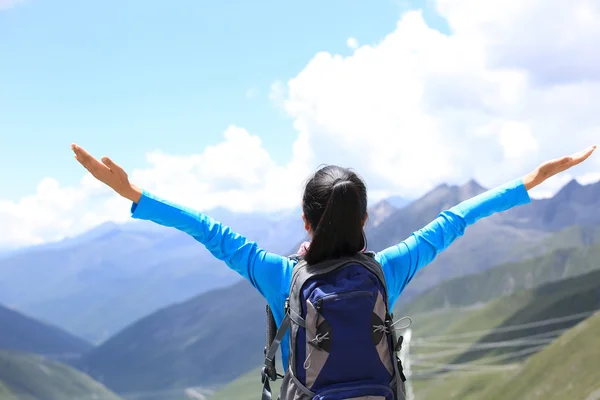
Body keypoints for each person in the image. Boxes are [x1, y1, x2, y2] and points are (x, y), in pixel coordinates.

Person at [71, 142, 596, 396]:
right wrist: (531, 180)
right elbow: (457, 218)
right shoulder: (387, 271)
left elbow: (207, 231)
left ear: (304, 219)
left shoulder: (279, 276)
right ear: (365, 219)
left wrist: (134, 194)